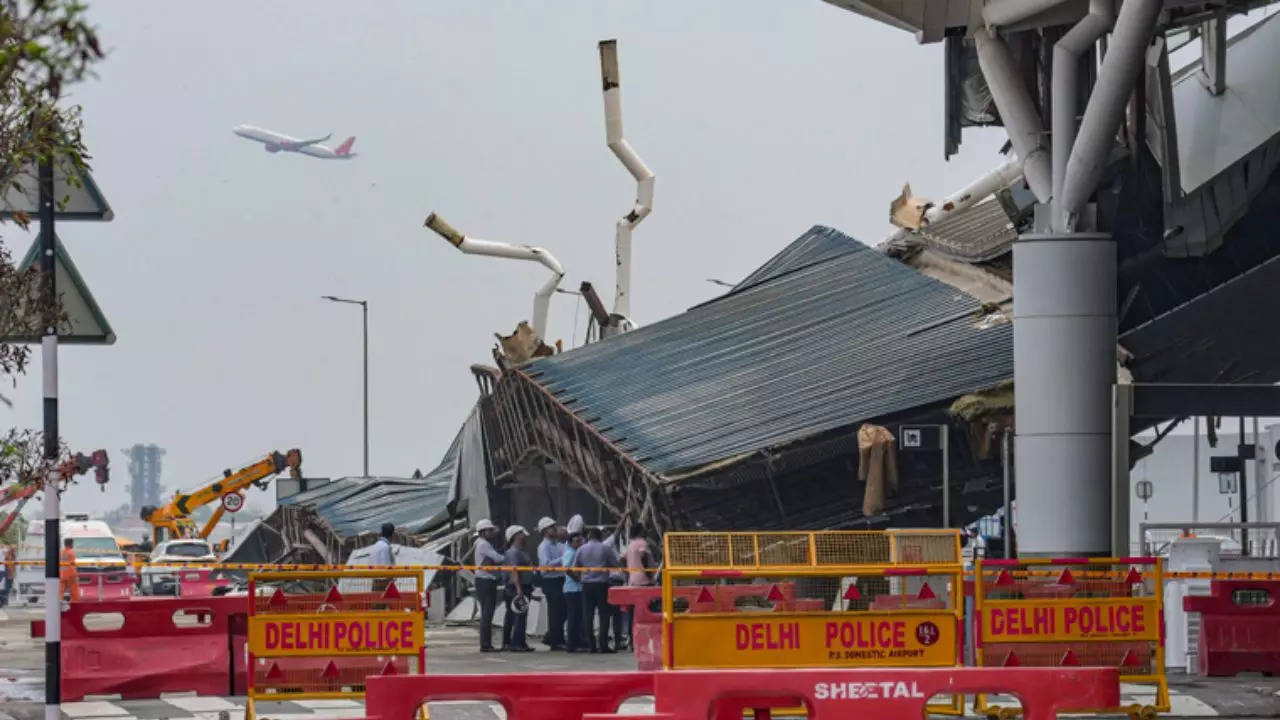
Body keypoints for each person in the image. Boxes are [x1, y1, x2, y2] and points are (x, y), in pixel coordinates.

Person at [574, 526, 619, 653]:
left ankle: (591, 645)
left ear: (589, 536)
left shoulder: (581, 549)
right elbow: (615, 564)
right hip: (602, 584)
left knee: (588, 615)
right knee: (604, 614)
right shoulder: (605, 548)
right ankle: (603, 644)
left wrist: (581, 578)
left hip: (587, 585)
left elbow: (576, 567)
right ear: (600, 537)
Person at [535, 516, 567, 650]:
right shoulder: (544, 547)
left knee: (563, 611)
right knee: (555, 612)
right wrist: (561, 560)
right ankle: (556, 641)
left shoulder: (559, 545)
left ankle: (552, 636)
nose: (555, 529)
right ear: (545, 531)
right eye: (551, 527)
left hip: (560, 579)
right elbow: (545, 565)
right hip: (551, 581)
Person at [472, 519, 504, 652]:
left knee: (487, 612)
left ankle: (486, 643)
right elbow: (497, 558)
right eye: (489, 530)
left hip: (485, 580)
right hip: (485, 580)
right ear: (483, 532)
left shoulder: (481, 543)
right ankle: (485, 644)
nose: (492, 532)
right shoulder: (483, 544)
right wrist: (508, 558)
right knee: (487, 613)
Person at [502, 525, 534, 652]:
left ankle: (519, 641)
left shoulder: (521, 551)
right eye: (521, 534)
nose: (524, 537)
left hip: (525, 586)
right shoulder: (513, 552)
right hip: (516, 588)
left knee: (519, 616)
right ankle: (515, 643)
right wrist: (519, 589)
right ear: (515, 536)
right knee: (518, 616)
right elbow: (514, 572)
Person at [562, 532, 587, 652]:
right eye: (577, 541)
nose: (579, 543)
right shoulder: (570, 553)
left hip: (578, 588)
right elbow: (566, 568)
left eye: (580, 540)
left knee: (578, 617)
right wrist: (577, 578)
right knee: (573, 616)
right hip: (572, 589)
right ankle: (571, 643)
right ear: (571, 542)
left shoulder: (578, 553)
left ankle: (579, 641)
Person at [370, 522, 396, 593]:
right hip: (383, 582)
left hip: (375, 580)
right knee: (387, 602)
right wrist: (391, 580)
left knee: (377, 601)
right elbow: (386, 566)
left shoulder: (376, 545)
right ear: (392, 534)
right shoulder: (385, 547)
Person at [59, 538, 80, 603]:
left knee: (60, 592)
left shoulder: (61, 552)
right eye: (72, 543)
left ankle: (58, 605)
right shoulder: (71, 552)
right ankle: (75, 605)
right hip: (71, 575)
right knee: (74, 593)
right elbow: (73, 564)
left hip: (62, 575)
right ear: (71, 544)